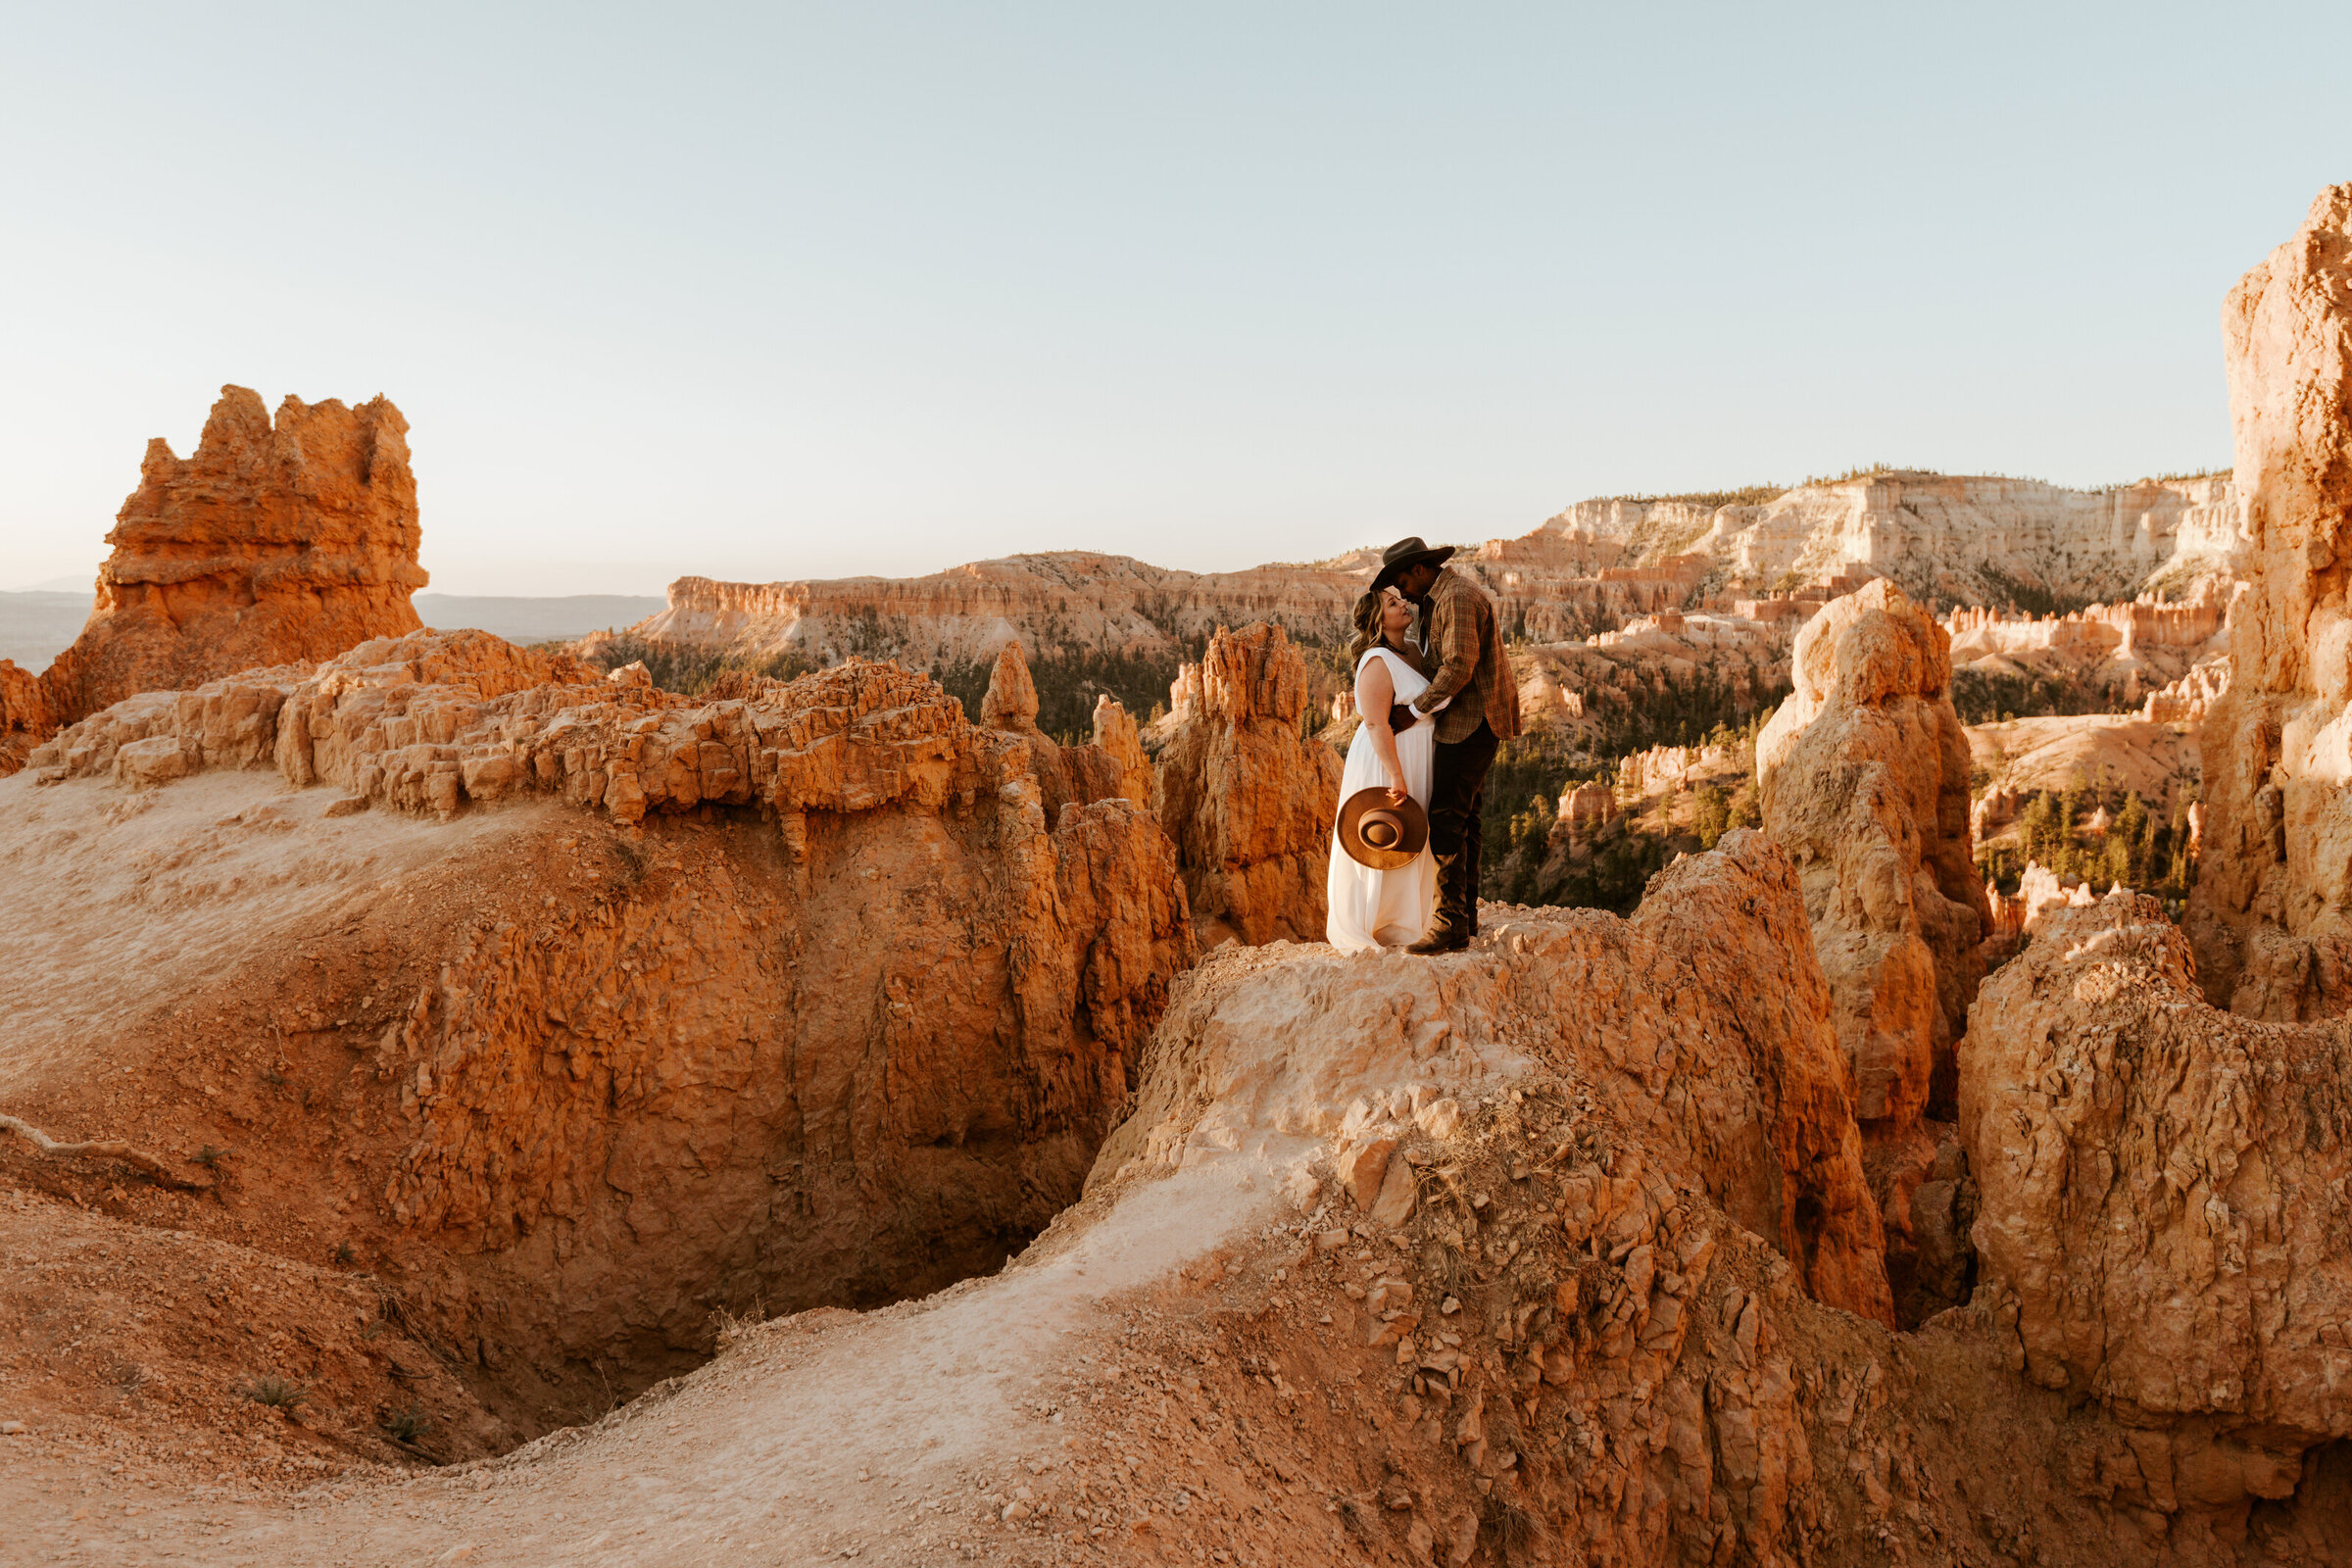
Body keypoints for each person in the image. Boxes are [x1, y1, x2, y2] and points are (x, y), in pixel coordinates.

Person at [1372, 536, 1520, 954]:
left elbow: (1458, 666)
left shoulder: (1455, 597)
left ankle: (1448, 923)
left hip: (1474, 720)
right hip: (1467, 718)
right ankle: (1464, 918)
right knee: (1467, 818)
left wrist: (1413, 711)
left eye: (1403, 581)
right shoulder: (1438, 599)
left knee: (1446, 818)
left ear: (1421, 569)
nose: (1403, 592)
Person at [1325, 586, 1442, 952]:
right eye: (1394, 603)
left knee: (1414, 835)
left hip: (1418, 752)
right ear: (1379, 620)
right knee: (1388, 833)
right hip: (1388, 758)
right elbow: (1376, 724)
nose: (1404, 604)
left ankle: (1409, 919)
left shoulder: (1413, 652)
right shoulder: (1376, 660)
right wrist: (1395, 775)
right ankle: (1376, 922)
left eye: (1401, 599)